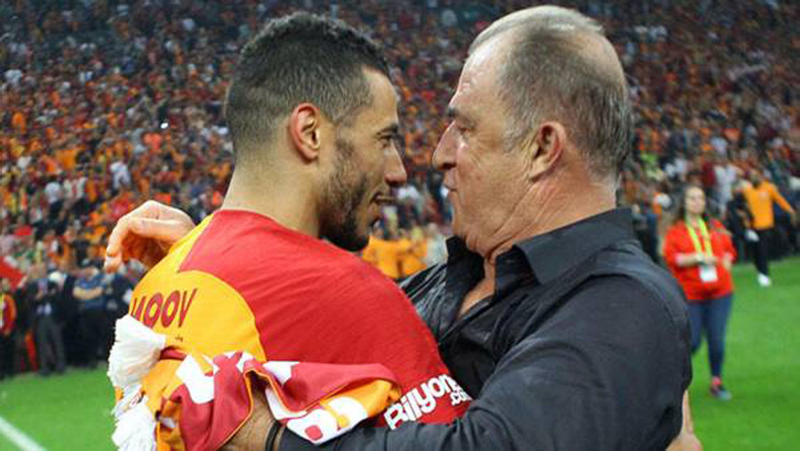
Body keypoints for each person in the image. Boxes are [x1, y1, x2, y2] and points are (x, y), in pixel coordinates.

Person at [107, 6, 698, 451]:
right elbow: (330, 332)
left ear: (543, 148)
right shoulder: (445, 283)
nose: (438, 156)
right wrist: (228, 259)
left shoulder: (623, 305)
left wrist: (270, 436)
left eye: (465, 129)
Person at [107, 13, 469, 447]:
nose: (398, 171)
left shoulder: (158, 285)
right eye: (384, 139)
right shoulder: (350, 296)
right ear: (309, 132)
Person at [663, 185, 736, 400]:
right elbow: (672, 258)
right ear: (684, 203)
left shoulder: (714, 226)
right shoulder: (676, 231)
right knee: (692, 341)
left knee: (716, 340)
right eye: (692, 198)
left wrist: (727, 260)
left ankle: (716, 382)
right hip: (692, 295)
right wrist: (697, 257)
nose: (697, 202)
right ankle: (672, 380)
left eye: (701, 198)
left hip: (720, 293)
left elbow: (729, 250)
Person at [742, 170, 797, 286]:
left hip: (765, 225)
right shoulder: (746, 190)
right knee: (755, 251)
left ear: (761, 177)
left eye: (756, 175)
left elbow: (780, 199)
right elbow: (743, 207)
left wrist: (790, 211)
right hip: (751, 226)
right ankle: (760, 272)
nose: (754, 178)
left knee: (762, 250)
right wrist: (745, 222)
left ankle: (764, 274)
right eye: (752, 176)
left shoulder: (769, 188)